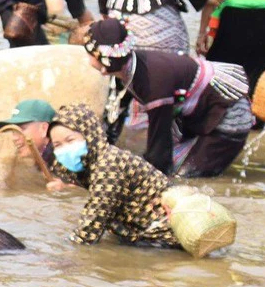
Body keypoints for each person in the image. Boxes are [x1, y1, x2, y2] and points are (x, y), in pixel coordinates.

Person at [83, 18, 250, 177]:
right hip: (200, 111)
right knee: (160, 162)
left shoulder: (151, 82)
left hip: (229, 115)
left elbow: (159, 144)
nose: (88, 58)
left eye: (89, 54)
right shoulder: (127, 69)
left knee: (183, 176)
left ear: (103, 59)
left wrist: (152, 179)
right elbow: (113, 119)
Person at [45, 104, 176, 247]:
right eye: (57, 145)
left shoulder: (107, 166)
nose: (65, 149)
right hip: (142, 232)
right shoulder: (95, 162)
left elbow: (89, 230)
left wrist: (58, 253)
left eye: (70, 140)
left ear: (89, 135)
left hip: (164, 237)